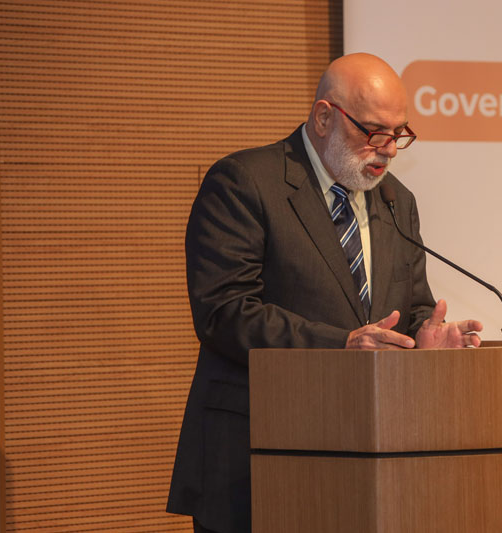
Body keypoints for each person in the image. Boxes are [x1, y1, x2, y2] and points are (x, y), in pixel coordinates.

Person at [167, 52, 483, 533]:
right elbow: (224, 312)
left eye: (398, 133)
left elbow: (410, 306)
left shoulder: (396, 200)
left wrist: (425, 337)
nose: (390, 149)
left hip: (366, 461)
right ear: (323, 117)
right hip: (258, 457)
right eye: (374, 131)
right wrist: (341, 345)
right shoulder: (245, 183)